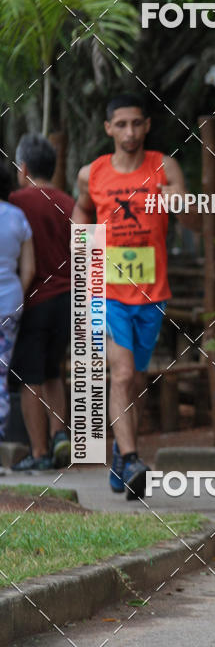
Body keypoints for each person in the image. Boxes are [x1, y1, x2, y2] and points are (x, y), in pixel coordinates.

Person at [72, 93, 198, 500]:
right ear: (108, 128)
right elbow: (81, 212)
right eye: (120, 124)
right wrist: (82, 253)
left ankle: (124, 456)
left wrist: (180, 203)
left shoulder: (164, 166)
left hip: (152, 293)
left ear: (146, 127)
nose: (129, 131)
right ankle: (130, 457)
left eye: (136, 124)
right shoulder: (91, 173)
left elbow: (191, 217)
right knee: (122, 374)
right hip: (106, 291)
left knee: (136, 380)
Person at [9, 135, 73, 470]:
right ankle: (59, 435)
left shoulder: (16, 202)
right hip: (67, 301)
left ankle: (38, 453)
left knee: (28, 377)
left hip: (33, 299)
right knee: (52, 372)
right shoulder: (70, 203)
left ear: (24, 168)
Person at [0, 160, 36, 442]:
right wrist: (16, 296)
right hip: (8, 305)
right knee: (1, 375)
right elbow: (29, 269)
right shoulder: (17, 217)